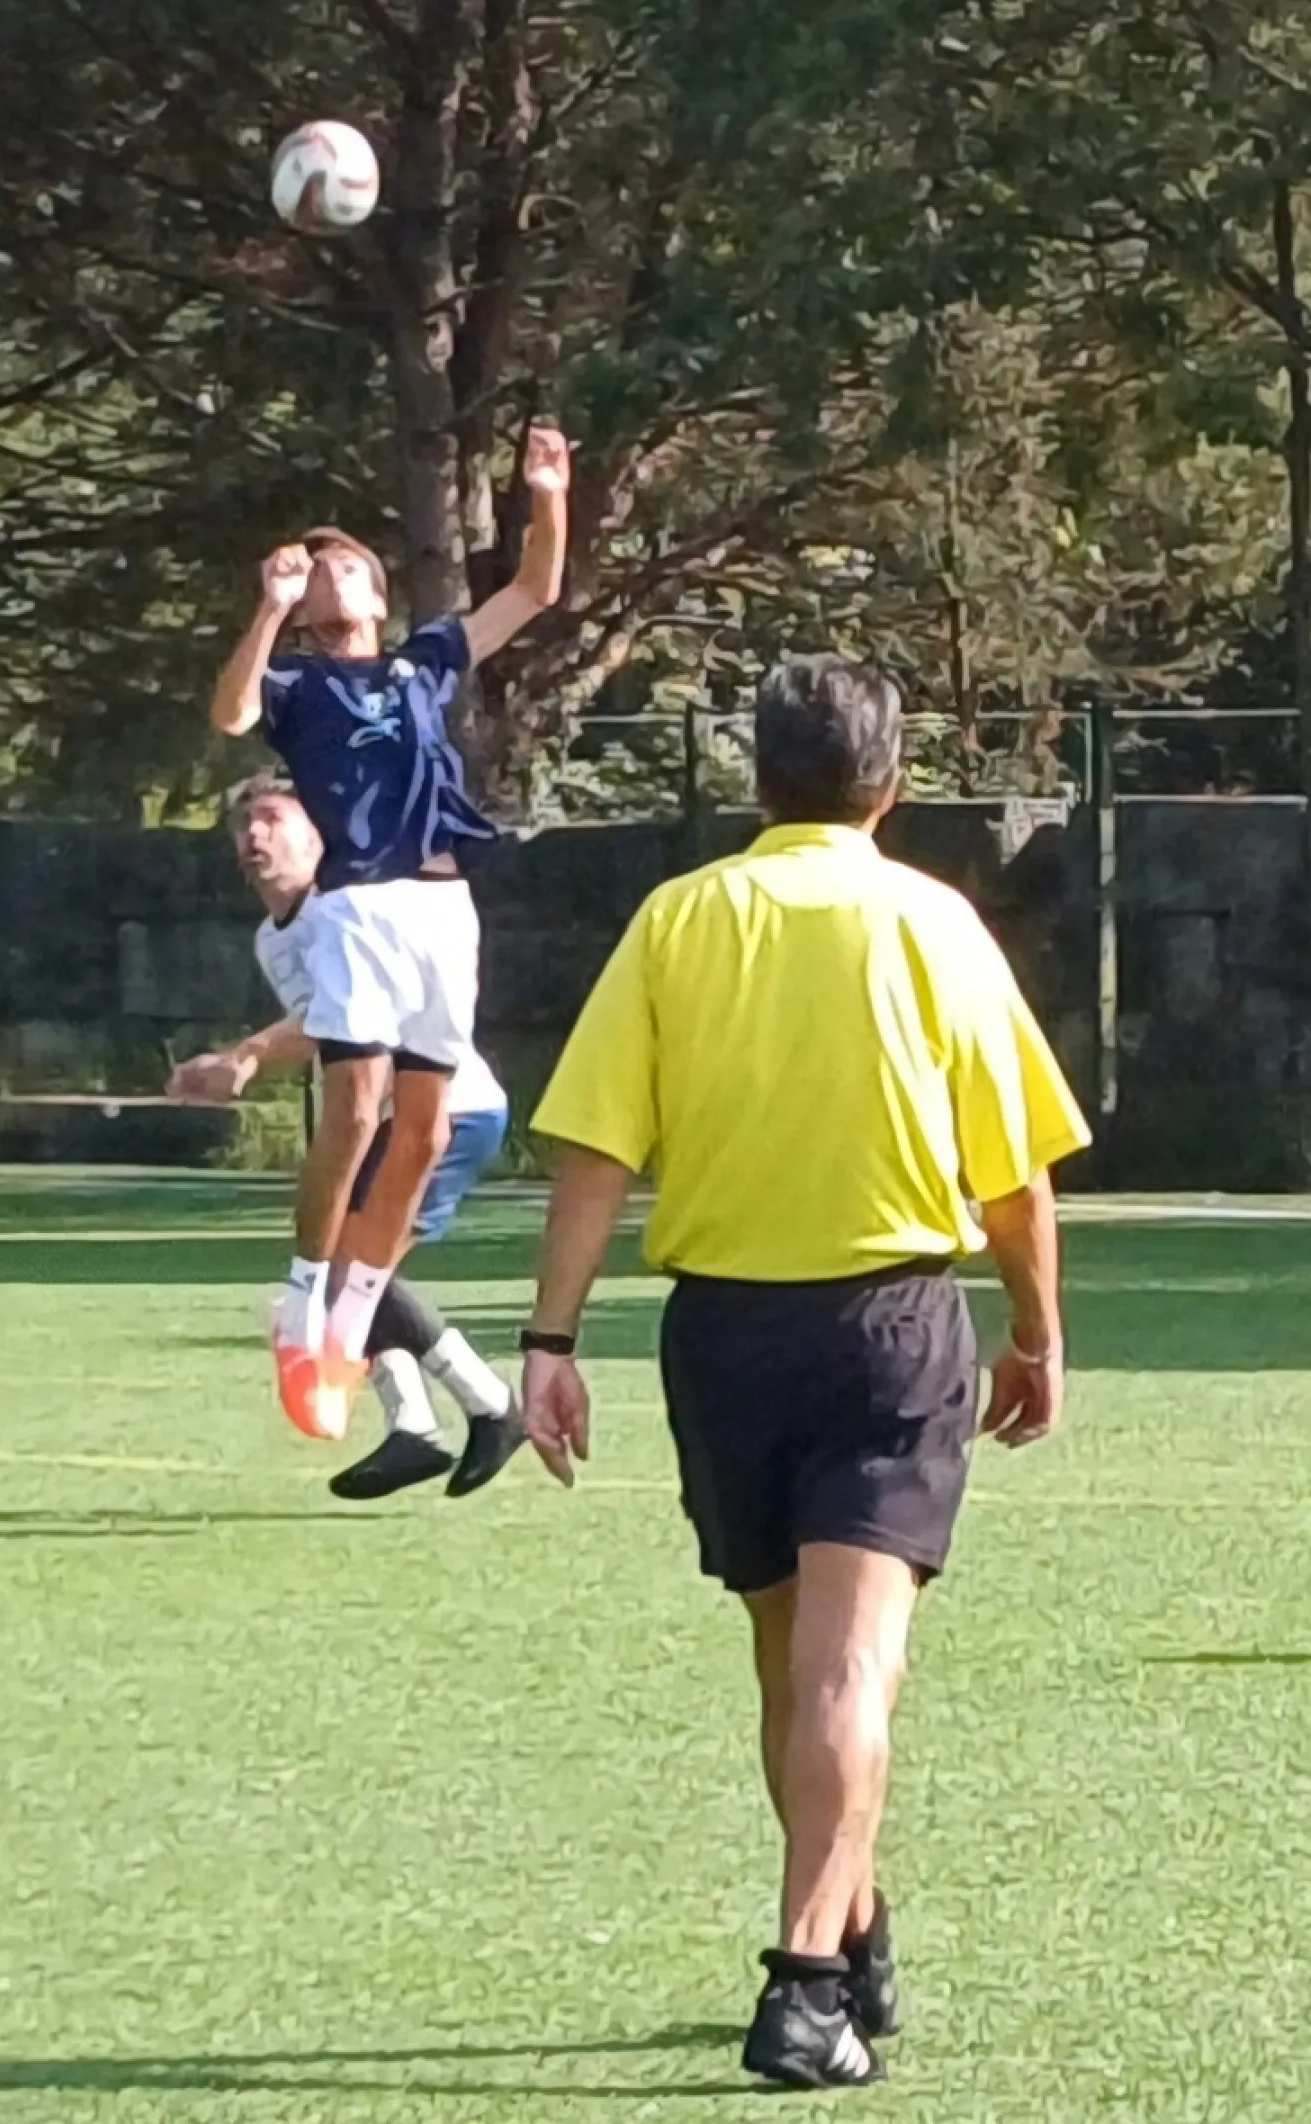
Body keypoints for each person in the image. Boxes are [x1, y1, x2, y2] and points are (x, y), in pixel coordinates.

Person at [517, 656, 1092, 2093]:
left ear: (760, 783)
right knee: (851, 1670)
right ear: (891, 785)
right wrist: (1037, 1328)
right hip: (890, 1325)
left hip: (723, 1334)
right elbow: (1009, 1171)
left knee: (794, 1675)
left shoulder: (677, 919)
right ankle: (806, 1983)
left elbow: (595, 1152)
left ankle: (852, 1918)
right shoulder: (934, 923)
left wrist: (548, 1342)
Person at [210, 428, 571, 1438]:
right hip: (361, 906)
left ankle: (353, 1319)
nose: (323, 576)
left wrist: (546, 493)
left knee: (427, 1126)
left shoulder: (423, 662)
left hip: (440, 909)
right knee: (356, 1112)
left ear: (373, 592)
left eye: (337, 568)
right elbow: (232, 712)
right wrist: (269, 608)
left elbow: (534, 589)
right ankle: (302, 1300)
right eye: (308, 569)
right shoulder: (295, 683)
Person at [169, 785, 526, 1503]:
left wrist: (247, 1053)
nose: (254, 834)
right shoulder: (274, 937)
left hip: (446, 1111)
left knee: (350, 1275)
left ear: (317, 839)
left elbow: (356, 1024)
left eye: (273, 818)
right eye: (244, 823)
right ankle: (427, 1425)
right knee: (351, 1278)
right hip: (392, 1116)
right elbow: (328, 1026)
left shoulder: (348, 908)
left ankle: (483, 1409)